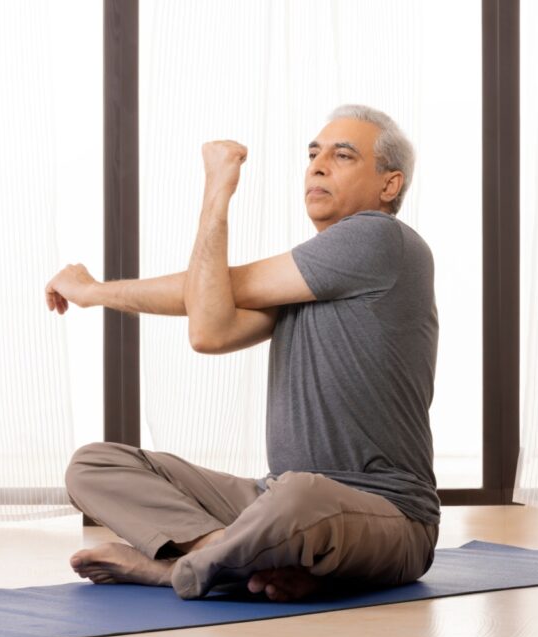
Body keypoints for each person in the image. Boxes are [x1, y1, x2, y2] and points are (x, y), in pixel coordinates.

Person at [44, 104, 440, 602]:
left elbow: (212, 290)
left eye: (342, 155)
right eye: (313, 154)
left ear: (389, 185)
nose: (317, 165)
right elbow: (208, 325)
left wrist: (217, 190)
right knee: (94, 464)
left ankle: (173, 570)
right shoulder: (307, 281)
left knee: (299, 495)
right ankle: (228, 554)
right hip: (274, 501)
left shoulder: (380, 239)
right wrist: (93, 291)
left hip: (390, 518)